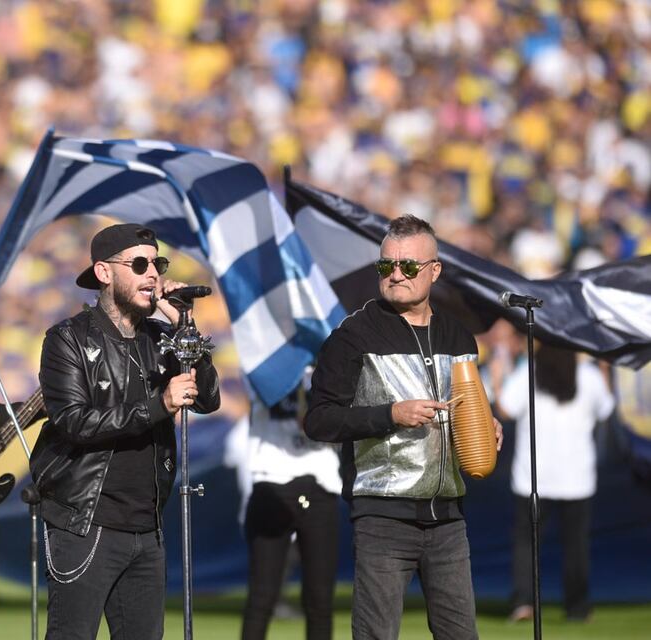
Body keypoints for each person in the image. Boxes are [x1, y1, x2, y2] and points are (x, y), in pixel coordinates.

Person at [304, 214, 502, 640]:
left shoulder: (459, 336)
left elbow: (470, 406)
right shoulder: (351, 336)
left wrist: (488, 424)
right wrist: (390, 414)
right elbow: (318, 420)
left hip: (450, 517)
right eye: (386, 266)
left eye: (408, 266)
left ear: (434, 271)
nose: (395, 275)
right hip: (382, 516)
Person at [30, 223, 221, 640]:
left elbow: (208, 398)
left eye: (158, 263)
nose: (152, 274)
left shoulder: (162, 337)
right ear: (103, 272)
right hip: (85, 523)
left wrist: (185, 328)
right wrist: (160, 404)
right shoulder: (67, 340)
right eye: (139, 264)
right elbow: (75, 422)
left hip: (146, 526)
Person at [497, 343, 615, 623]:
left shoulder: (528, 373)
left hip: (533, 477)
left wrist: (499, 372)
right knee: (576, 545)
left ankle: (523, 603)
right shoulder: (589, 375)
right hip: (576, 477)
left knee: (526, 543)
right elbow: (606, 409)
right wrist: (604, 367)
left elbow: (504, 409)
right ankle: (578, 608)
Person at [240, 371, 342, 640]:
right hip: (271, 483)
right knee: (262, 596)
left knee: (320, 599)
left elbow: (342, 425)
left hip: (320, 484)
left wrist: (320, 419)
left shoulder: (327, 364)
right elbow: (259, 387)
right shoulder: (265, 360)